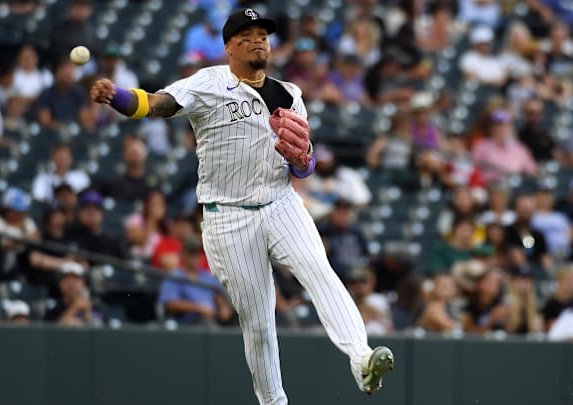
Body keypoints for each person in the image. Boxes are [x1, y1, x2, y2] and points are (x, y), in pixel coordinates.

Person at [89, 9, 393, 402]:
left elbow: (305, 163)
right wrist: (119, 97)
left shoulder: (289, 94)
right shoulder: (209, 82)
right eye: (247, 35)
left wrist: (305, 161)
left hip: (280, 201)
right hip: (228, 217)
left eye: (263, 35)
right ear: (229, 46)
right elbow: (160, 103)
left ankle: (362, 359)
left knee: (320, 270)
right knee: (260, 323)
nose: (257, 40)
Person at [158, 236, 233, 325]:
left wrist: (224, 307)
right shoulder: (174, 276)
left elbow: (218, 296)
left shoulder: (207, 276)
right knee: (207, 324)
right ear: (183, 254)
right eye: (192, 254)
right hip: (189, 323)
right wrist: (198, 308)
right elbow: (171, 304)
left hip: (215, 319)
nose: (195, 258)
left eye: (198, 254)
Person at [542, 263, 573, 331]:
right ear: (559, 281)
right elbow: (550, 328)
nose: (572, 283)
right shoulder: (550, 305)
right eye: (568, 279)